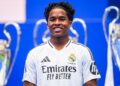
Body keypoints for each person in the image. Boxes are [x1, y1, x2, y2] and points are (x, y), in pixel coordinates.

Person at [22, 2, 101, 86]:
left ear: (70, 23)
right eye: (52, 19)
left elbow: (91, 84)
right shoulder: (34, 54)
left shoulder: (83, 52)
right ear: (47, 24)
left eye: (62, 19)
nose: (57, 23)